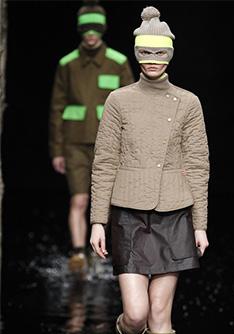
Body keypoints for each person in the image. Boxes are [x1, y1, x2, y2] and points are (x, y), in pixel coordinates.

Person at [89, 6, 210, 334]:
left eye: (160, 53)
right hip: (127, 213)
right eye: (146, 52)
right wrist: (98, 220)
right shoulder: (119, 100)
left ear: (170, 54)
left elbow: (198, 164)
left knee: (161, 313)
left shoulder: (188, 102)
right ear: (137, 53)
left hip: (174, 214)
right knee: (136, 312)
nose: (153, 60)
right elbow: (104, 161)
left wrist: (200, 223)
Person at [49, 0, 134, 272]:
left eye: (95, 28)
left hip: (109, 144)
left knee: (107, 201)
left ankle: (100, 251)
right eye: (86, 28)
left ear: (103, 29)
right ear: (80, 30)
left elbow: (132, 107)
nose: (90, 34)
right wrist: (57, 149)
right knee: (79, 199)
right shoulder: (67, 64)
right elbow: (57, 107)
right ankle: (78, 254)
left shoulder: (118, 62)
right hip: (74, 143)